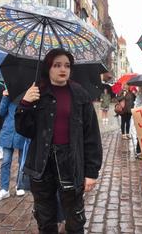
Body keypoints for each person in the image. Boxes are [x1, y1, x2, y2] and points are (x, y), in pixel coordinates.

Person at [15, 48, 103, 234]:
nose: (63, 69)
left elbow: (91, 136)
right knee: (45, 220)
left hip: (70, 163)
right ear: (48, 68)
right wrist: (25, 104)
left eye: (67, 65)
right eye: (57, 65)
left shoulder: (80, 95)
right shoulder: (38, 92)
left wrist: (91, 172)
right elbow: (25, 130)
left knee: (75, 219)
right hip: (42, 164)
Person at [0, 89, 26, 201]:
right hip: (8, 131)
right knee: (5, 162)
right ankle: (4, 189)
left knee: (22, 162)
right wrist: (5, 97)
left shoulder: (27, 94)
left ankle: (19, 185)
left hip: (22, 132)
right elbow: (1, 112)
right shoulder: (9, 93)